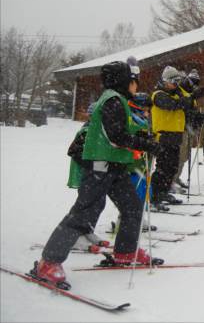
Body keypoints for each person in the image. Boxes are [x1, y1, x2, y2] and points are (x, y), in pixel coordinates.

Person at [33, 61, 165, 287]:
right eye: (134, 81)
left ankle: (125, 252)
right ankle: (48, 262)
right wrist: (145, 145)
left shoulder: (119, 100)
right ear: (124, 81)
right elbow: (116, 136)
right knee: (84, 212)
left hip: (115, 167)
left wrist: (143, 140)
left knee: (132, 207)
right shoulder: (112, 100)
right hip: (100, 167)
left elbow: (123, 132)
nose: (136, 85)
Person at [150, 66, 204, 207]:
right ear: (165, 80)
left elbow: (186, 109)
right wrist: (191, 97)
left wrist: (198, 117)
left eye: (177, 81)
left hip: (175, 135)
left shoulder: (177, 94)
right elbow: (173, 106)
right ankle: (155, 195)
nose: (175, 84)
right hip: (163, 135)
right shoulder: (158, 94)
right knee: (162, 167)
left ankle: (164, 191)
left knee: (172, 167)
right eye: (173, 81)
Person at [65, 102, 111, 251]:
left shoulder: (101, 130)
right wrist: (92, 165)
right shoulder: (87, 131)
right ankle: (74, 236)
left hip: (99, 175)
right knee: (85, 204)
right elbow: (73, 151)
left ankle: (87, 230)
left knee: (99, 203)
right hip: (88, 175)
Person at [173, 68, 204, 190]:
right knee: (180, 155)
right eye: (192, 81)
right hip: (180, 127)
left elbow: (192, 110)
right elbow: (183, 106)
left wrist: (199, 118)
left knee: (185, 155)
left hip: (189, 127)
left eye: (196, 82)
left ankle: (176, 177)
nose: (194, 84)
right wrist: (192, 98)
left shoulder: (192, 93)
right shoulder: (180, 90)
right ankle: (172, 179)